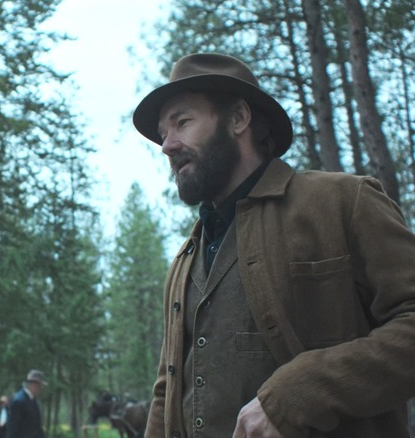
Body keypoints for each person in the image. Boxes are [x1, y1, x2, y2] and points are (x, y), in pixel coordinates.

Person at [132, 52, 415, 437]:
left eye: (182, 122)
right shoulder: (185, 261)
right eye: (163, 133)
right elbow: (166, 392)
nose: (167, 145)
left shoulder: (344, 202)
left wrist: (302, 391)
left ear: (238, 119)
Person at [7, 370, 46, 438]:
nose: (41, 389)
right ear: (34, 385)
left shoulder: (33, 401)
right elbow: (12, 429)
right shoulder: (19, 401)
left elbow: (37, 428)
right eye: (40, 386)